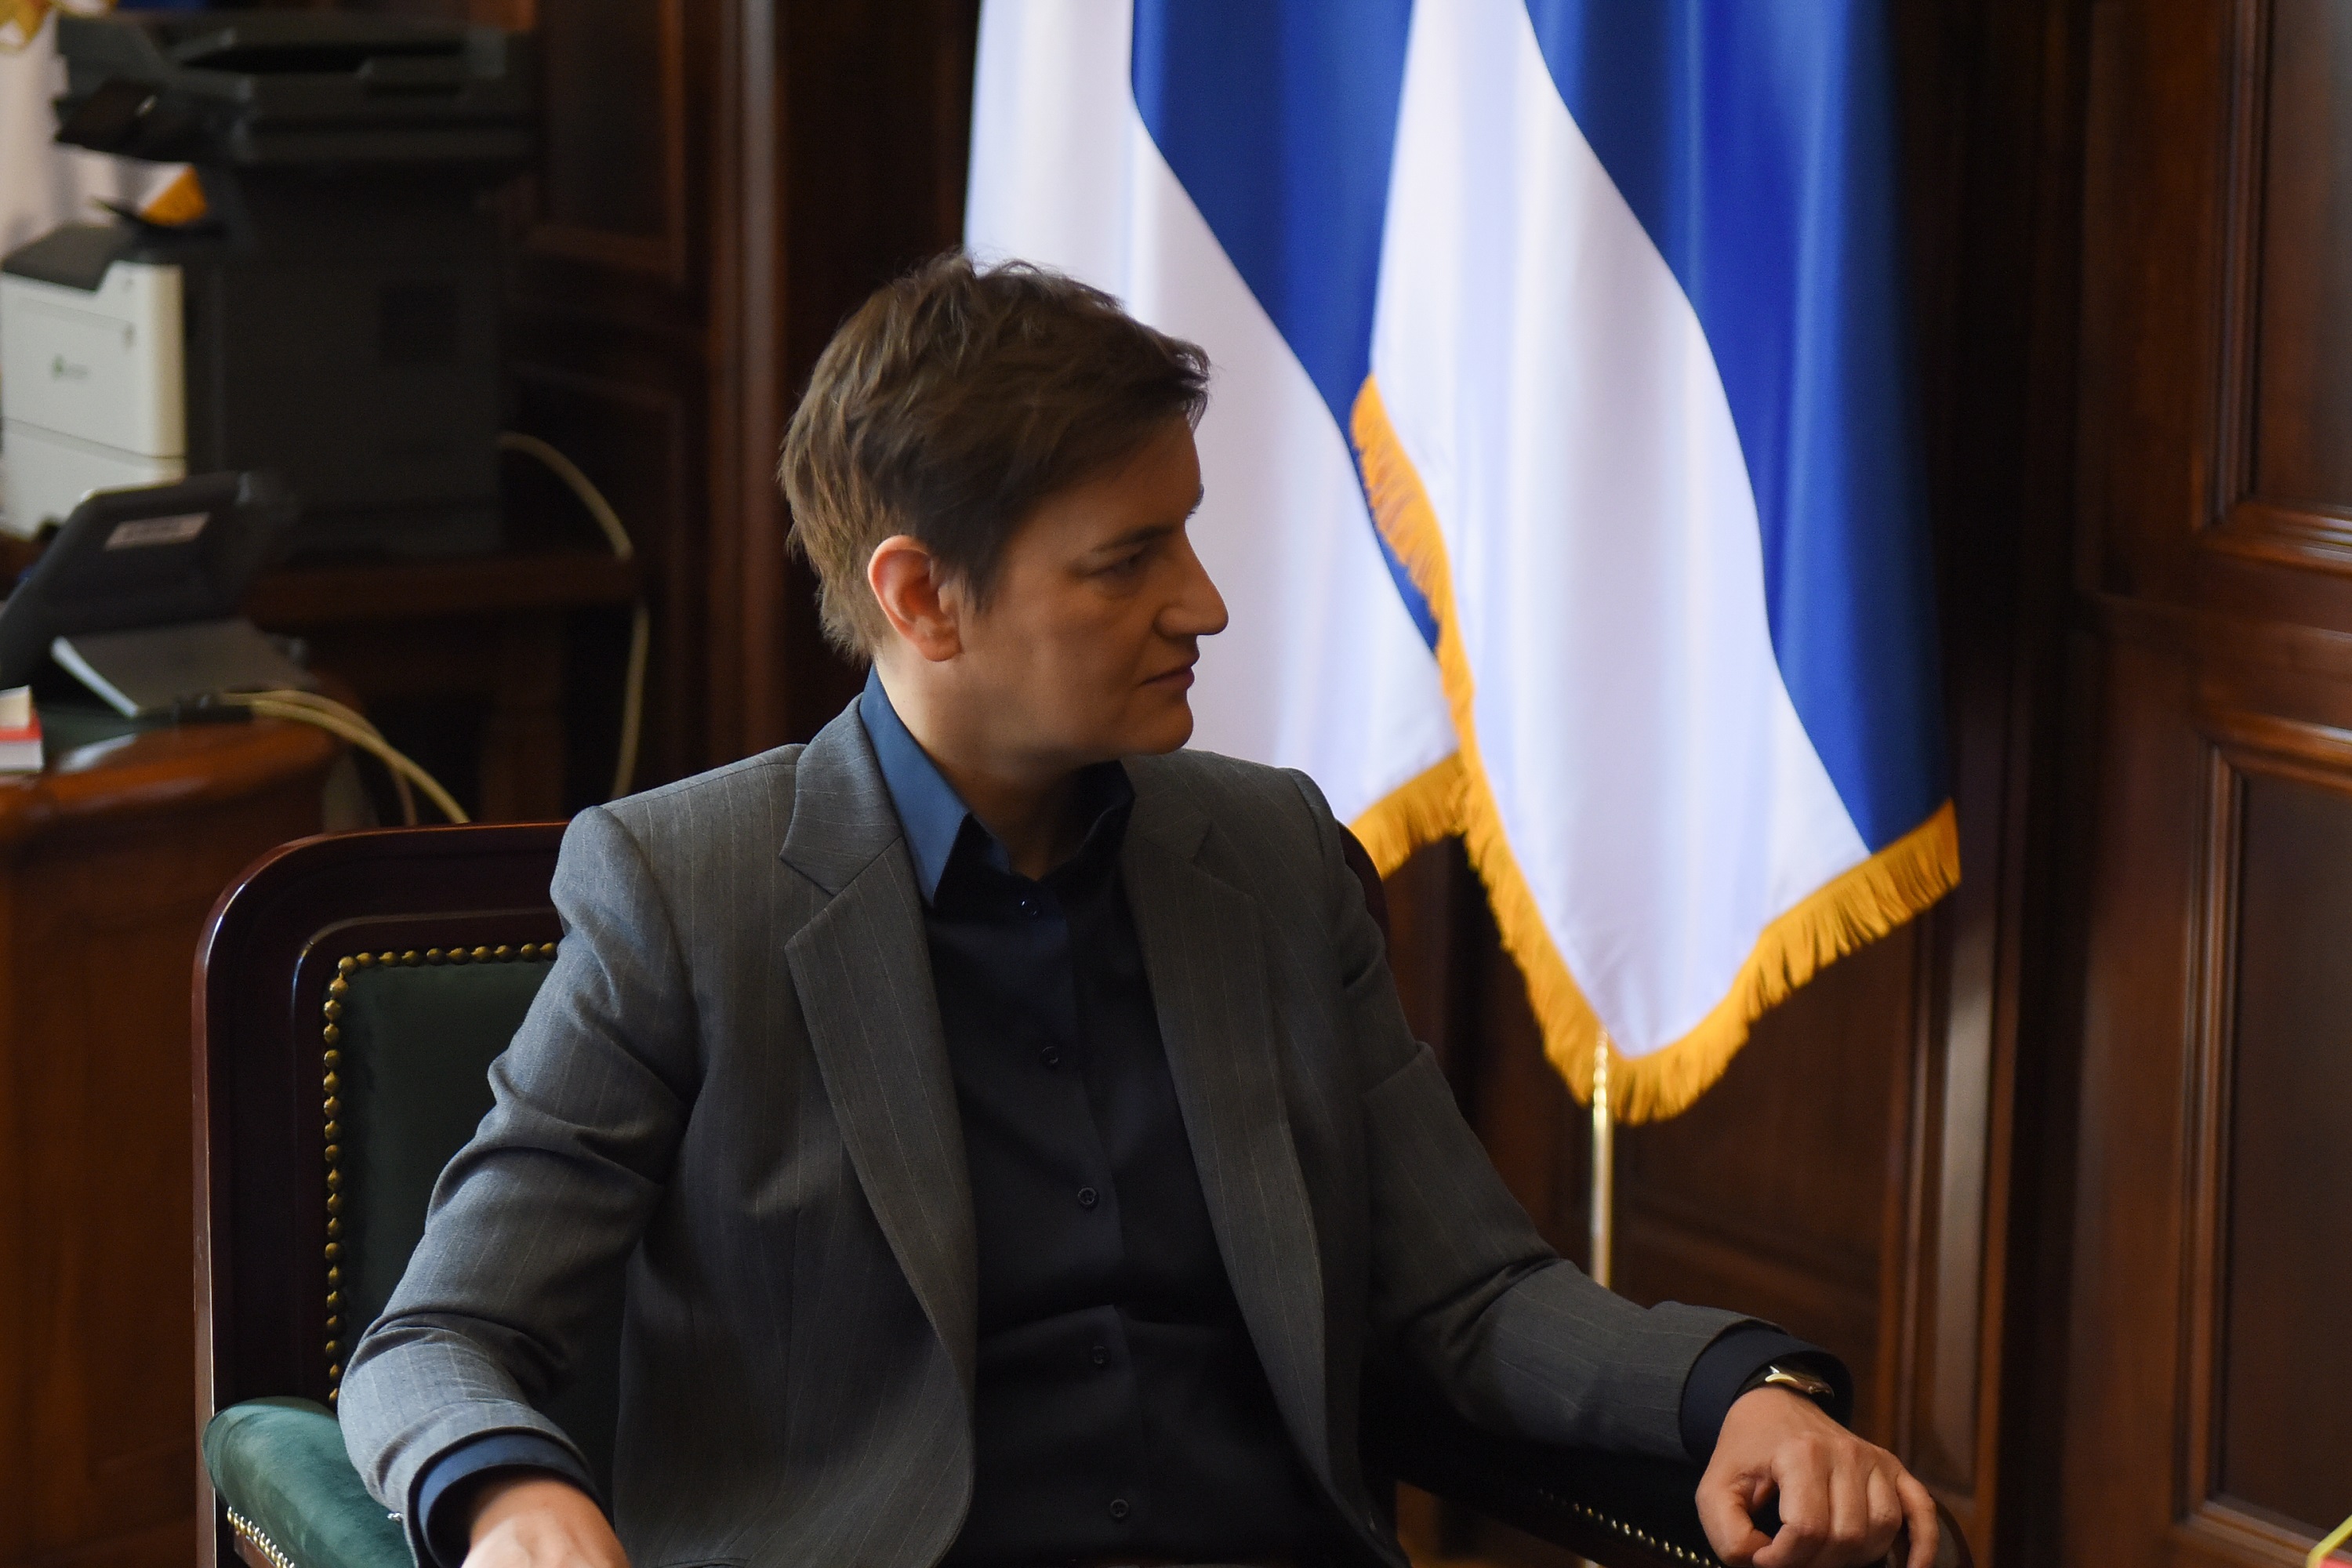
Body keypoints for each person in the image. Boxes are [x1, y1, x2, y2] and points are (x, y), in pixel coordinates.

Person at [339, 254, 1940, 1568]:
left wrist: (1736, 1395)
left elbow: (1467, 1295)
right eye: (1127, 560)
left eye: (1188, 531)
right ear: (921, 596)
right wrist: (512, 1500)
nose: (1205, 602)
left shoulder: (1271, 856)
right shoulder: (684, 890)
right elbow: (437, 1341)